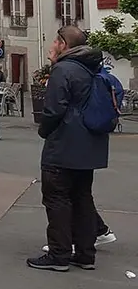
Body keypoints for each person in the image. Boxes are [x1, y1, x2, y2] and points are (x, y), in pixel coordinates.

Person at [28, 26, 111, 271]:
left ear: (64, 44)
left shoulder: (63, 69)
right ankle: (85, 254)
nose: (52, 45)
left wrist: (44, 131)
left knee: (57, 199)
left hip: (64, 145)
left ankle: (59, 254)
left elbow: (54, 109)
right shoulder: (91, 67)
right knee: (83, 198)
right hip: (89, 145)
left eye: (55, 40)